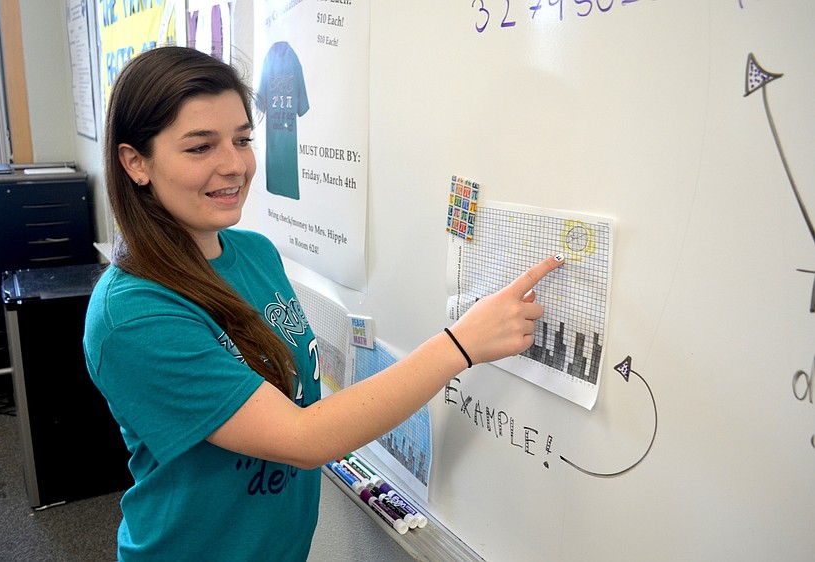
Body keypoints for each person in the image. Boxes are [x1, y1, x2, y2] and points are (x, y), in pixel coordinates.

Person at [83, 45, 563, 562]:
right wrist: (460, 345)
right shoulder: (133, 314)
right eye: (200, 147)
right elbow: (303, 436)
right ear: (136, 162)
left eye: (242, 139)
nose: (234, 165)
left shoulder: (255, 254)